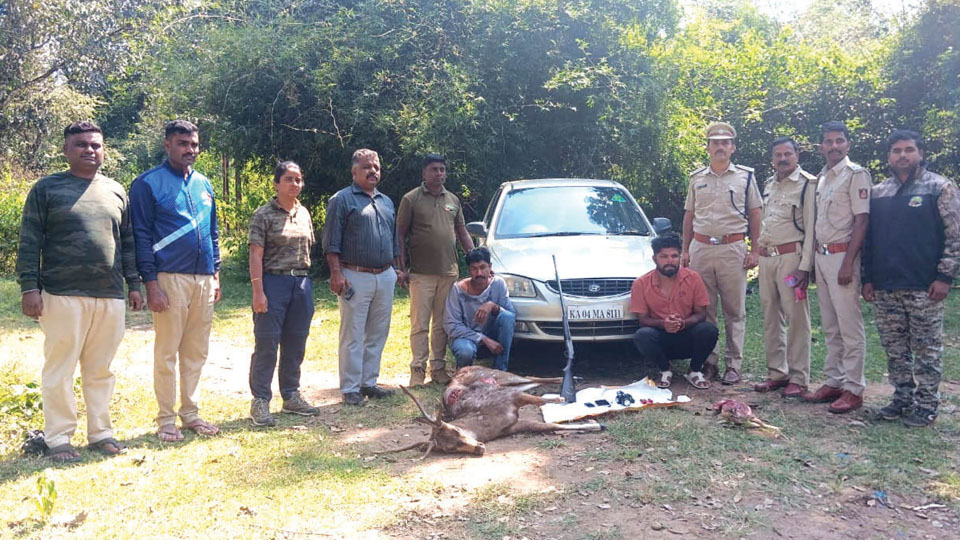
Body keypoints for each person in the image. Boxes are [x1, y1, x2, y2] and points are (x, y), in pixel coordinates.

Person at [16, 121, 144, 462]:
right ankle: (58, 438)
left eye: (95, 145)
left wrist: (134, 284)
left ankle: (101, 433)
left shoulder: (116, 191)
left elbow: (127, 242)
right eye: (81, 144)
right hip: (62, 293)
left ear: (104, 150)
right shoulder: (47, 189)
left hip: (109, 294)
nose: (90, 150)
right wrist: (30, 288)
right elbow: (29, 241)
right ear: (66, 150)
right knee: (60, 368)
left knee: (101, 368)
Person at [130, 119, 222, 441]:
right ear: (167, 144)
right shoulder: (147, 184)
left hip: (203, 278)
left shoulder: (204, 184)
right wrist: (151, 283)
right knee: (167, 352)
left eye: (194, 144)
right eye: (183, 143)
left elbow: (212, 232)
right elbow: (141, 236)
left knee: (196, 351)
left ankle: (191, 414)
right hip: (169, 278)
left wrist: (216, 273)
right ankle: (166, 420)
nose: (190, 150)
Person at [862, 129, 960, 427]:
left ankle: (927, 405)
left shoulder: (939, 187)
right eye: (897, 150)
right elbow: (870, 240)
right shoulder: (879, 193)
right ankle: (901, 399)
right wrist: (868, 278)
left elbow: (955, 236)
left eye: (909, 150)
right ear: (889, 156)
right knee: (895, 348)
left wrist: (944, 276)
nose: (902, 155)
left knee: (927, 349)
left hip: (925, 285)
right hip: (886, 286)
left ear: (920, 153)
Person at [681, 122, 762, 385]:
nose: (720, 147)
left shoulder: (745, 177)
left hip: (732, 248)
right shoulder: (697, 178)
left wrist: (755, 250)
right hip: (701, 248)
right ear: (707, 147)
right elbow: (689, 215)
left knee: (734, 310)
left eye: (725, 143)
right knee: (705, 309)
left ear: (732, 148)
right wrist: (685, 250)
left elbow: (756, 213)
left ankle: (734, 365)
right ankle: (709, 362)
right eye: (715, 142)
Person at [322, 149, 401, 406]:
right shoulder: (341, 200)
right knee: (353, 334)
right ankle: (350, 388)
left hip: (385, 275)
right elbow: (331, 241)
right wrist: (336, 273)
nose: (372, 171)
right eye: (367, 167)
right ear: (354, 171)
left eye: (376, 167)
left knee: (378, 332)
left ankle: (369, 382)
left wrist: (397, 269)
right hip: (354, 275)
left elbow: (394, 239)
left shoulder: (386, 201)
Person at [802, 121, 871, 414]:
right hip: (822, 256)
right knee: (830, 325)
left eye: (839, 141)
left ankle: (853, 388)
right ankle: (834, 380)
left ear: (848, 144)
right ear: (821, 147)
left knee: (849, 326)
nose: (834, 146)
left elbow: (862, 221)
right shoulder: (822, 178)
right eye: (828, 142)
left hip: (843, 257)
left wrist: (848, 263)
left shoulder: (856, 175)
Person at [247, 161, 321, 426]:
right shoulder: (263, 214)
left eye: (298, 179)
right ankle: (260, 400)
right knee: (267, 343)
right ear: (276, 183)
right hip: (273, 283)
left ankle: (290, 395)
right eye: (288, 179)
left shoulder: (304, 213)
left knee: (296, 342)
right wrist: (258, 291)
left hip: (300, 284)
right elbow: (255, 254)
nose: (294, 184)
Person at [396, 153, 475, 386]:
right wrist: (401, 268)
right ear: (424, 172)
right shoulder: (411, 199)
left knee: (442, 324)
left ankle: (438, 368)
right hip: (420, 273)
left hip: (449, 273)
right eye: (434, 169)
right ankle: (417, 370)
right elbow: (399, 234)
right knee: (420, 324)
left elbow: (462, 231)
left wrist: (475, 259)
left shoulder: (453, 200)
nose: (439, 173)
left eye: (442, 169)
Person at [753, 137, 817, 398]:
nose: (782, 159)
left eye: (787, 154)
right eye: (778, 155)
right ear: (772, 158)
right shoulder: (770, 184)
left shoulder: (808, 184)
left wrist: (805, 267)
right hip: (767, 257)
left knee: (796, 318)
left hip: (792, 258)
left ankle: (799, 377)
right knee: (771, 316)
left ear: (796, 155)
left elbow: (811, 229)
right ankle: (777, 373)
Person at [630, 234, 718, 389]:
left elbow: (701, 314)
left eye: (674, 256)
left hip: (687, 335)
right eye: (663, 256)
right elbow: (643, 320)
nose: (669, 261)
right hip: (661, 338)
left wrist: (682, 323)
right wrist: (664, 324)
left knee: (709, 330)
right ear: (655, 259)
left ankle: (695, 370)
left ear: (680, 257)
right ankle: (665, 369)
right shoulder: (641, 283)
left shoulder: (693, 278)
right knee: (642, 335)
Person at [443, 247, 515, 371]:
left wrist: (492, 306)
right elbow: (452, 326)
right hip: (467, 338)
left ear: (490, 266)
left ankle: (500, 371)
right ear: (468, 269)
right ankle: (464, 374)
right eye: (474, 269)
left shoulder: (498, 284)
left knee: (507, 317)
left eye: (483, 267)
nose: (479, 273)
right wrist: (483, 339)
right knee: (465, 352)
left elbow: (511, 315)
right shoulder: (457, 290)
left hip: (492, 334)